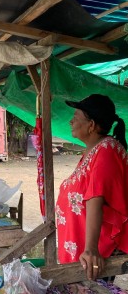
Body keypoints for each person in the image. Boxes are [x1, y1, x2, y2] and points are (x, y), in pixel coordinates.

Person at [56, 94, 128, 281]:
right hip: (81, 247)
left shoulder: (106, 150)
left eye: (76, 117)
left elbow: (96, 197)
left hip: (94, 254)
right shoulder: (95, 150)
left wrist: (91, 249)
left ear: (92, 125)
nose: (71, 121)